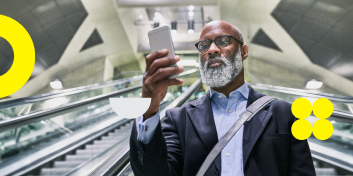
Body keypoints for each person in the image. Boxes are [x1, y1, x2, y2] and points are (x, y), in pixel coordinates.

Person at [129, 20, 316, 176]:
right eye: (204, 45)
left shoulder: (283, 114)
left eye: (223, 41)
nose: (211, 50)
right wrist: (149, 109)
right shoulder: (179, 120)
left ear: (244, 52)